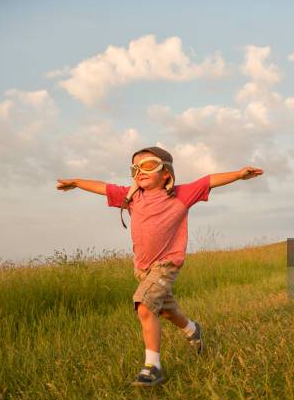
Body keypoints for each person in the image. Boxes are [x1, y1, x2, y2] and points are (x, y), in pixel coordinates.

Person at [56, 146, 263, 386]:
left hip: (167, 264)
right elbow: (102, 187)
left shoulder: (180, 194)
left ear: (166, 173)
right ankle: (192, 329)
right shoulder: (131, 196)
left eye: (148, 165)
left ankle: (152, 367)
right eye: (135, 168)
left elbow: (208, 180)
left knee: (145, 306)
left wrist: (238, 174)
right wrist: (77, 182)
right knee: (164, 310)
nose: (139, 171)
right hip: (143, 268)